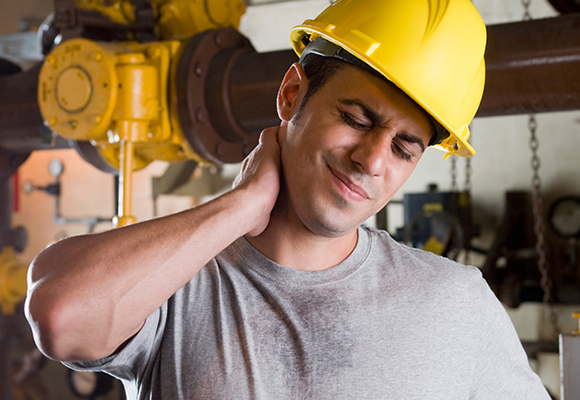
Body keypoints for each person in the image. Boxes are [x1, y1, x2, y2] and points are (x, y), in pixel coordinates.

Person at [25, 0, 551, 398]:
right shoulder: (175, 282)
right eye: (355, 119)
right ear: (291, 94)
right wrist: (238, 206)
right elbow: (61, 316)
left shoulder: (457, 304)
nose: (371, 160)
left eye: (403, 148)